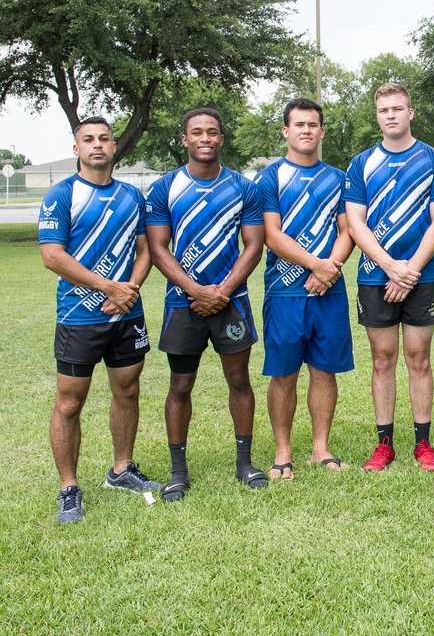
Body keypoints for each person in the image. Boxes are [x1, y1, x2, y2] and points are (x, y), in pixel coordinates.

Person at [38, 116, 162, 524]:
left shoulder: (131, 195)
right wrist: (109, 288)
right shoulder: (61, 194)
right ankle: (69, 488)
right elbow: (52, 255)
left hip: (127, 315)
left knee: (127, 391)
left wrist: (128, 290)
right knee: (70, 402)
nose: (97, 145)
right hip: (79, 316)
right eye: (88, 140)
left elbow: (146, 250)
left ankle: (121, 470)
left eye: (104, 139)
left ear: (114, 147)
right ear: (77, 149)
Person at [146, 107, 268, 501]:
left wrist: (222, 292)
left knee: (239, 382)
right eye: (196, 132)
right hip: (182, 304)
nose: (204, 138)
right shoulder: (164, 188)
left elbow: (254, 245)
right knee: (180, 385)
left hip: (232, 302)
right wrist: (195, 291)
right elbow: (157, 247)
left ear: (221, 138)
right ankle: (178, 472)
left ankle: (244, 463)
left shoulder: (244, 187)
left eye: (212, 132)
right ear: (184, 139)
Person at [344, 83, 434, 471]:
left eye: (397, 108)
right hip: (375, 277)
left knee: (419, 359)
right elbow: (356, 223)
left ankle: (423, 445)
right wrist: (391, 266)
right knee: (383, 360)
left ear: (410, 113)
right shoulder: (361, 164)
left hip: (422, 276)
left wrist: (410, 271)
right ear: (377, 116)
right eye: (383, 110)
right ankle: (384, 444)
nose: (390, 115)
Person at [255, 98, 355, 480]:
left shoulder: (338, 178)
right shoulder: (269, 178)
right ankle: (283, 452)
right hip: (285, 291)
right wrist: (316, 265)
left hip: (328, 291)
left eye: (313, 124)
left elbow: (348, 229)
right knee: (283, 374)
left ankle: (320, 448)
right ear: (286, 131)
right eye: (299, 125)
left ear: (322, 131)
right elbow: (271, 234)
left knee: (324, 371)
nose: (306, 131)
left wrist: (330, 270)